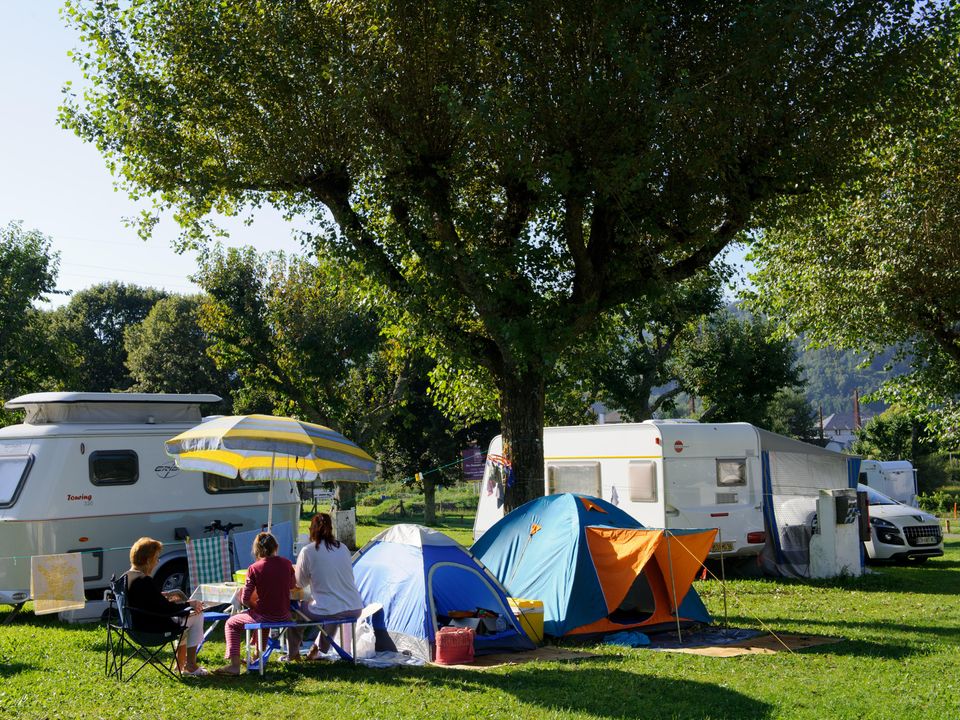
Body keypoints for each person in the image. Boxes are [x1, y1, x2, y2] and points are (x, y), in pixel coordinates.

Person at [123, 537, 209, 676]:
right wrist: (189, 604)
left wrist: (160, 596)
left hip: (133, 627)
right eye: (156, 558)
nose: (157, 562)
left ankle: (180, 665)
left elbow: (145, 600)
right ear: (148, 560)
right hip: (152, 630)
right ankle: (191, 665)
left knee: (186, 619)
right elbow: (167, 609)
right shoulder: (144, 580)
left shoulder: (127, 577)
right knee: (197, 614)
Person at [215, 531, 295, 675]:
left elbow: (245, 599)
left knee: (231, 623)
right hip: (284, 614)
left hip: (265, 615)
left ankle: (234, 665)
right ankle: (258, 657)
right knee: (263, 619)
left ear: (256, 550)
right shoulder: (287, 564)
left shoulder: (254, 568)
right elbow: (292, 585)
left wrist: (254, 607)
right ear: (276, 546)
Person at [287, 513, 363, 661]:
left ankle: (293, 653)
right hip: (354, 606)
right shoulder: (343, 548)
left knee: (297, 611)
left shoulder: (308, 551)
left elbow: (299, 583)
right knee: (332, 608)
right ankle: (319, 649)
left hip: (331, 608)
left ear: (312, 530)